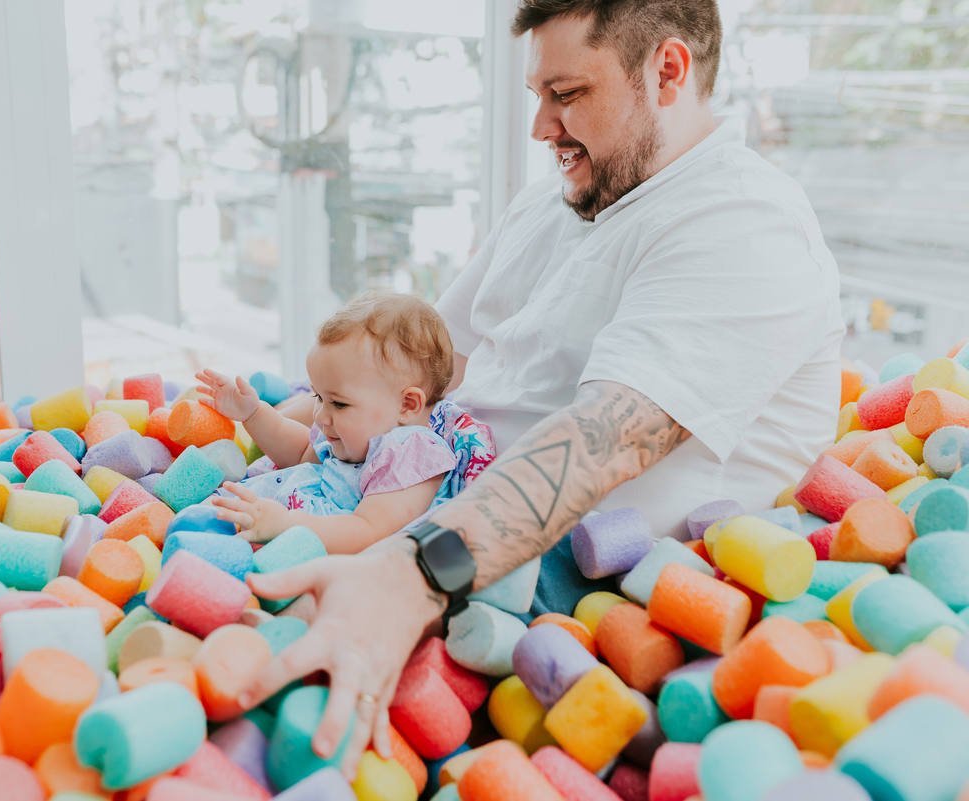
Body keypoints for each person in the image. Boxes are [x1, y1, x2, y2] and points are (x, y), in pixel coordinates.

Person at [237, 0, 844, 780]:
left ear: (667, 72)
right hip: (398, 497)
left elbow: (603, 441)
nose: (541, 127)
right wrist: (271, 422)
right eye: (537, 95)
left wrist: (408, 574)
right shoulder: (563, 196)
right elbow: (426, 363)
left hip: (533, 592)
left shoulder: (743, 223)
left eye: (567, 94)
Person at [196, 293, 464, 553]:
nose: (320, 415)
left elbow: (368, 532)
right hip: (261, 519)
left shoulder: (414, 454)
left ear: (407, 405)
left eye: (339, 403)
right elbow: (300, 455)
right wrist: (253, 414)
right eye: (318, 397)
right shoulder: (351, 435)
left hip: (294, 544)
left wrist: (285, 525)